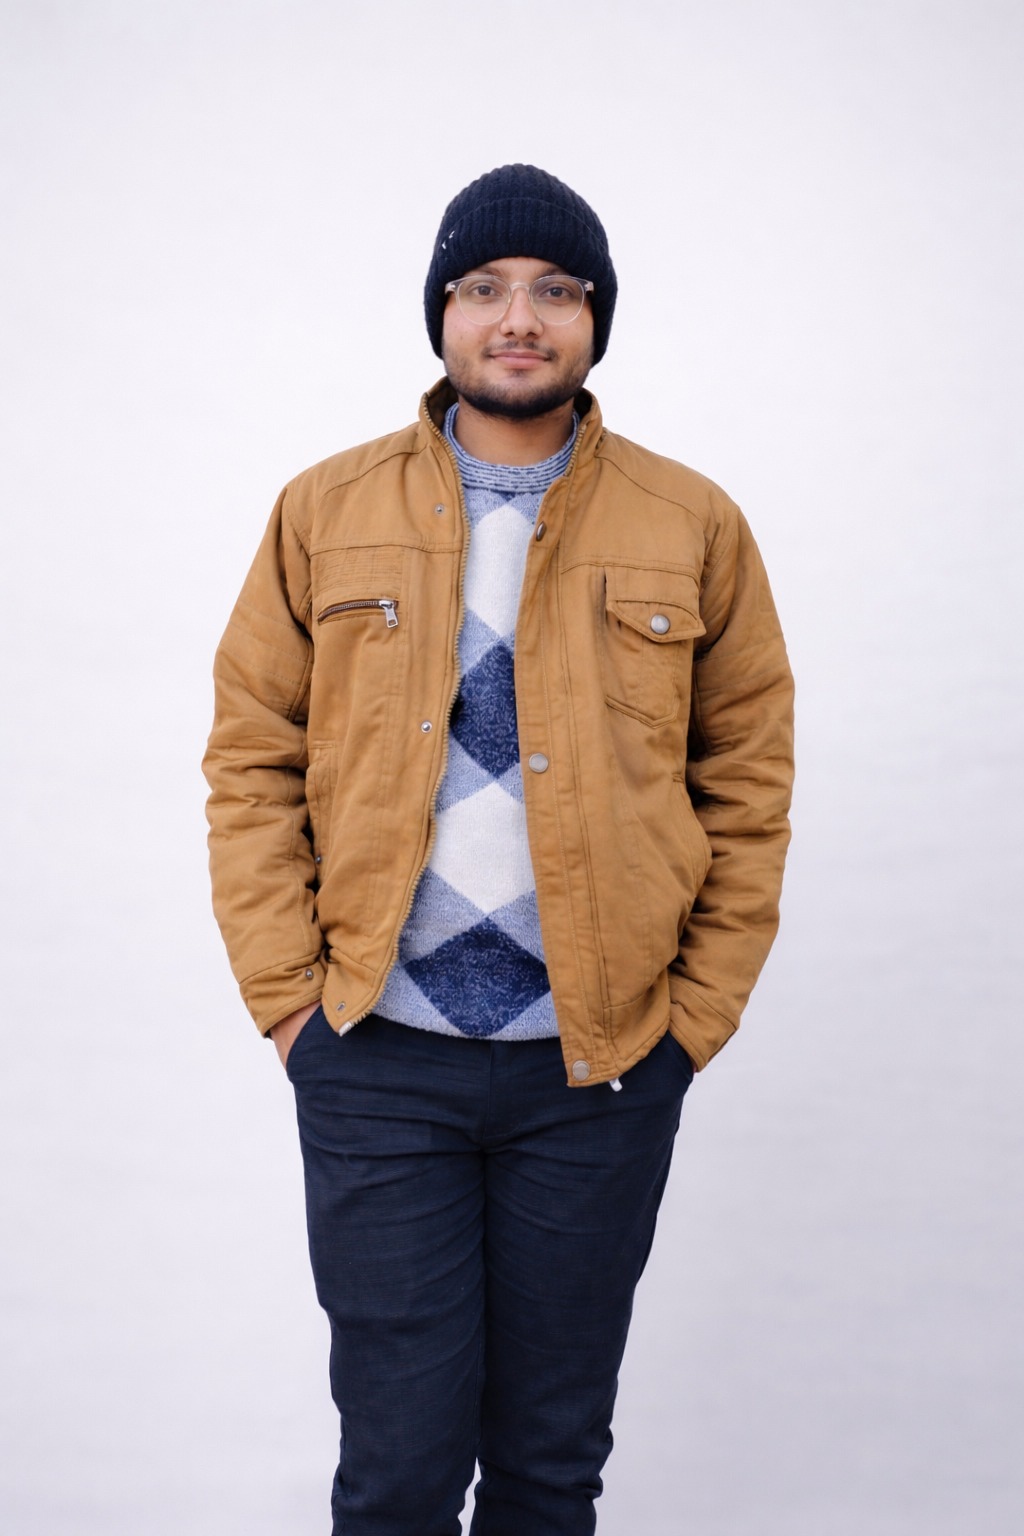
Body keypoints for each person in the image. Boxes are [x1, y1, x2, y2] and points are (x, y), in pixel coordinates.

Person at [203, 163, 795, 1536]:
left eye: (554, 291)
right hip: (376, 1057)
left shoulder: (692, 522)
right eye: (484, 288)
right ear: (442, 313)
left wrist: (691, 1022)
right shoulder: (323, 509)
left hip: (600, 1068)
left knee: (547, 1466)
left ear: (595, 320)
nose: (517, 318)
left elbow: (748, 779)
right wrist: (292, 1007)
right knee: (399, 1473)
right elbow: (249, 759)